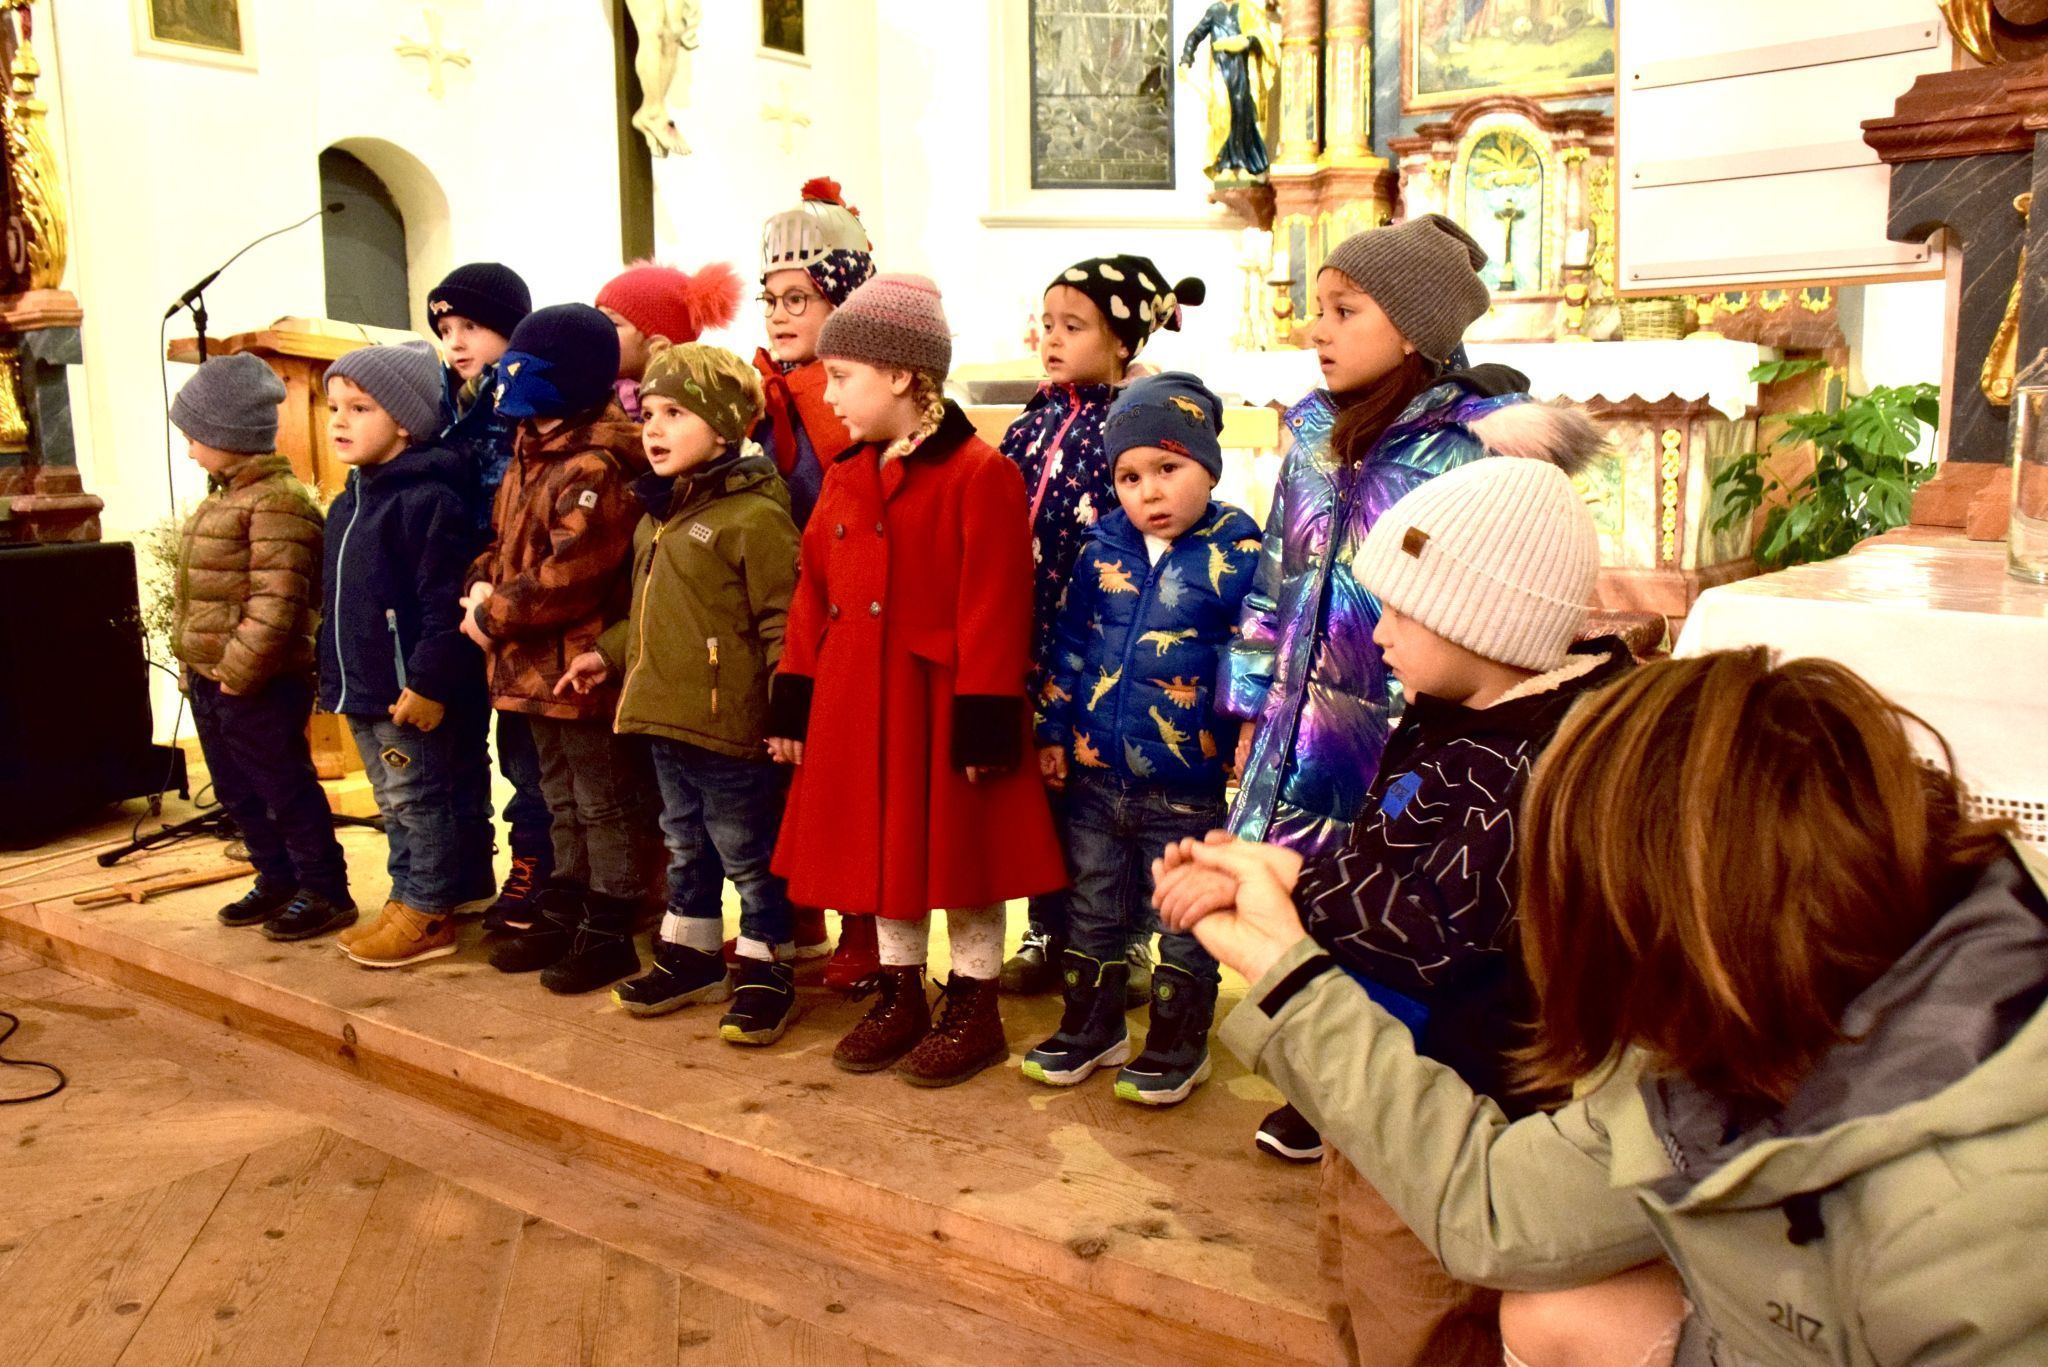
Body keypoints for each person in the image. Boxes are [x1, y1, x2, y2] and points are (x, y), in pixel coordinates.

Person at [1165, 649, 2048, 1366]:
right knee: (1563, 1305)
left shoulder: (1975, 1235)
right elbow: (1502, 1206)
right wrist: (1283, 964)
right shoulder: (1757, 1011)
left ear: (1669, 926)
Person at [1159, 442, 1621, 1364]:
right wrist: (1292, 872)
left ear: (1482, 618)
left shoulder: (1532, 761)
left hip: (1458, 1107)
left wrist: (1295, 891)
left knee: (1417, 1313)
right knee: (1354, 1279)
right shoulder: (1461, 706)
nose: (1378, 636)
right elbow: (1398, 854)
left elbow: (1441, 927)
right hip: (1383, 1075)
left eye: (1401, 611)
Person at [1220, 213, 1554, 1162]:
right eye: (1314, 310)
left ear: (1411, 329)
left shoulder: (1467, 448)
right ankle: (1316, 1067)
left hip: (1403, 724)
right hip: (1300, 715)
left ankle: (1375, 1086)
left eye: (1343, 310)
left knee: (1388, 901)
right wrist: (1250, 702)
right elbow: (1278, 575)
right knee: (1298, 882)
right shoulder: (1314, 433)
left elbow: (1488, 604)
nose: (1316, 330)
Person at [766, 274, 1065, 1087]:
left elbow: (996, 607)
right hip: (857, 698)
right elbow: (811, 593)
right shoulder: (843, 474)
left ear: (902, 374)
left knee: (961, 856)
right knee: (880, 852)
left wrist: (985, 717)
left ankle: (975, 1004)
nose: (829, 396)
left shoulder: (978, 473)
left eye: (842, 377)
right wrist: (795, 693)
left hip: (942, 701)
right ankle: (901, 992)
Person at [1022, 372, 1259, 1105]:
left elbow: (1257, 651)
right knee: (1093, 905)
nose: (1148, 491)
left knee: (1184, 919)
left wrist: (1250, 730)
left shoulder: (1241, 549)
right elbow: (1070, 642)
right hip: (1097, 775)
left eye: (1168, 468)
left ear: (1207, 468)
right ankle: (1092, 1026)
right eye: (1129, 476)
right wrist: (1052, 728)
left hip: (1187, 785)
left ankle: (1178, 1040)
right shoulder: (1102, 549)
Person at [556, 343, 803, 1044]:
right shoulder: (654, 517)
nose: (654, 429)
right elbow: (651, 614)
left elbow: (785, 621)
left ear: (725, 429)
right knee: (685, 843)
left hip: (731, 727)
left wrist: (791, 706)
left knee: (747, 848)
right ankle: (692, 954)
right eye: (649, 413)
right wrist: (605, 656)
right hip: (664, 716)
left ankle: (764, 963)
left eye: (675, 414)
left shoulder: (754, 518)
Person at [999, 254, 1206, 1004]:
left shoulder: (1133, 429)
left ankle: (1128, 939)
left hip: (1104, 641)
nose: (1052, 338)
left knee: (1105, 806)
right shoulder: (1031, 422)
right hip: (1030, 639)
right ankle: (1045, 927)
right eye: (1048, 323)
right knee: (1042, 792)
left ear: (1121, 339)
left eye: (1073, 326)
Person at [462, 303, 655, 994]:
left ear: (566, 381)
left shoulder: (596, 463)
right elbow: (501, 542)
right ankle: (569, 904)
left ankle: (611, 923)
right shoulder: (528, 449)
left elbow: (573, 572)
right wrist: (479, 585)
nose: (507, 376)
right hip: (527, 668)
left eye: (525, 367)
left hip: (578, 670)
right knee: (557, 796)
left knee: (602, 800)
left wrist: (496, 613)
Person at [314, 342, 494, 968]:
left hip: (408, 690)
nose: (338, 420)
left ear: (405, 422)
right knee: (412, 797)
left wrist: (429, 683)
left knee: (417, 800)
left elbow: (444, 601)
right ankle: (457, 887)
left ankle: (423, 908)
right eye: (332, 405)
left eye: (359, 407)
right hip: (367, 684)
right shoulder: (351, 500)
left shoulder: (428, 499)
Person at [169, 354, 355, 941]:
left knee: (282, 788)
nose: (191, 448)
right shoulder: (223, 499)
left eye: (196, 436)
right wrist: (194, 667)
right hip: (215, 677)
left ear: (231, 435)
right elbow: (202, 595)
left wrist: (237, 673)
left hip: (259, 680)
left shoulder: (278, 504)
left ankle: (324, 888)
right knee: (236, 791)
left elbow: (277, 604)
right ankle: (276, 877)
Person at [751, 176, 882, 985]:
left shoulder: (848, 392)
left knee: (845, 779)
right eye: (771, 298)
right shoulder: (763, 382)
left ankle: (861, 928)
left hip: (844, 609)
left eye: (798, 297)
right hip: (770, 607)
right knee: (774, 766)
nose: (779, 313)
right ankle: (793, 914)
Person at [428, 261, 555, 935]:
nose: (455, 340)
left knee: (528, 753)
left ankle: (537, 869)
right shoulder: (455, 408)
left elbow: (516, 517)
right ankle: (471, 868)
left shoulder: (517, 417)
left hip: (517, 603)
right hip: (466, 597)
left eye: (471, 326)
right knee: (472, 746)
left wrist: (491, 582)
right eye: (445, 328)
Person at [596, 259, 742, 419]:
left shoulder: (691, 409)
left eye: (614, 323)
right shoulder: (588, 392)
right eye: (596, 318)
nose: (597, 329)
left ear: (658, 346)